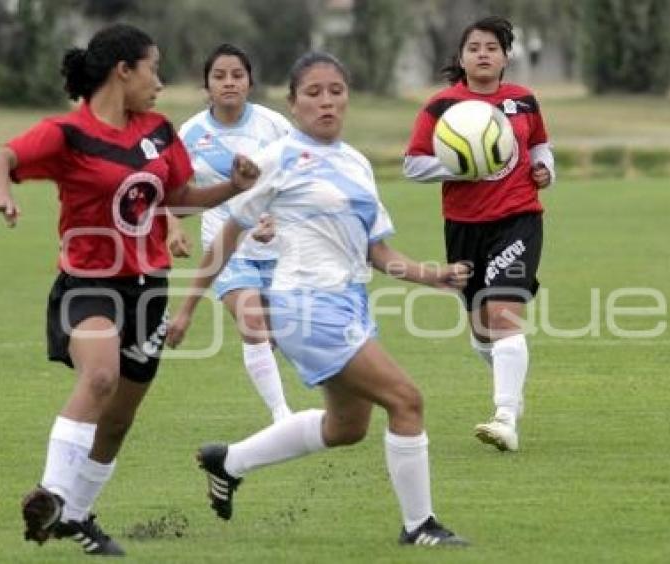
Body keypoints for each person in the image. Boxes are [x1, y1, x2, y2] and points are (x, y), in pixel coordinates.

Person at [167, 52, 470, 547]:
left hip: (350, 305)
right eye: (313, 93)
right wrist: (186, 308)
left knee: (347, 427)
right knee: (407, 400)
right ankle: (420, 527)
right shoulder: (275, 160)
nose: (326, 101)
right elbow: (226, 237)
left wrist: (433, 276)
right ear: (293, 103)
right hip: (306, 308)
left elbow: (377, 251)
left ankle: (230, 462)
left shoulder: (356, 163)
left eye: (335, 90)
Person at [0, 24, 260, 556]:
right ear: (123, 70)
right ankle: (53, 494)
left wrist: (233, 188)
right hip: (89, 283)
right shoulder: (68, 134)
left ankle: (77, 517)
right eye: (153, 67)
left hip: (148, 288)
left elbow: (176, 197)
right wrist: (2, 196)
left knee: (119, 420)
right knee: (101, 375)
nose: (160, 79)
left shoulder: (157, 132)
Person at [403, 16, 555, 452]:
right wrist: (462, 165)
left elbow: (540, 145)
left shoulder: (523, 101)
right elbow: (413, 164)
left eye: (492, 47)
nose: (483, 54)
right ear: (462, 57)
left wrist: (546, 169)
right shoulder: (441, 106)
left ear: (507, 56)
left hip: (518, 218)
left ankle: (505, 417)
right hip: (464, 226)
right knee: (482, 330)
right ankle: (511, 389)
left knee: (503, 311)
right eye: (474, 47)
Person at [169, 43, 293, 423]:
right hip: (225, 248)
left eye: (237, 75)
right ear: (206, 85)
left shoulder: (274, 126)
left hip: (281, 247)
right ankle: (282, 415)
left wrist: (278, 218)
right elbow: (165, 191)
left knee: (287, 333)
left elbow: (298, 181)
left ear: (250, 82)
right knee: (252, 323)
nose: (228, 83)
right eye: (219, 76)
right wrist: (174, 227)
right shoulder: (189, 134)